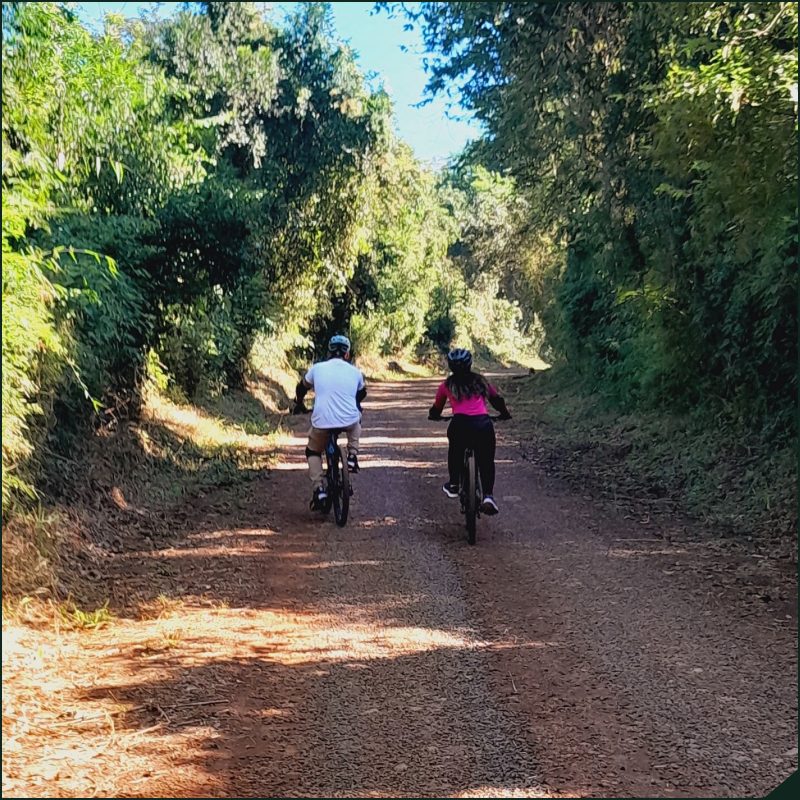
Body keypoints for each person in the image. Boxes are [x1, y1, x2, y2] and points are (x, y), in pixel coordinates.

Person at [427, 348, 511, 515]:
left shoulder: (447, 385)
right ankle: (488, 496)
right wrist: (504, 414)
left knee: (455, 451)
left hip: (460, 425)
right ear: (470, 364)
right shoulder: (480, 381)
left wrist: (434, 416)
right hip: (483, 425)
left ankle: (454, 483)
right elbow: (496, 400)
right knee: (486, 460)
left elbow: (437, 407)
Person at [292, 334, 367, 510]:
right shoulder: (355, 372)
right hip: (348, 420)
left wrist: (299, 403)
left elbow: (301, 387)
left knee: (313, 451)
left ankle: (319, 489)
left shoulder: (317, 368)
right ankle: (352, 455)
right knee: (357, 420)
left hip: (322, 421)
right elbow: (362, 393)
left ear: (329, 352)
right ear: (347, 354)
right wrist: (354, 403)